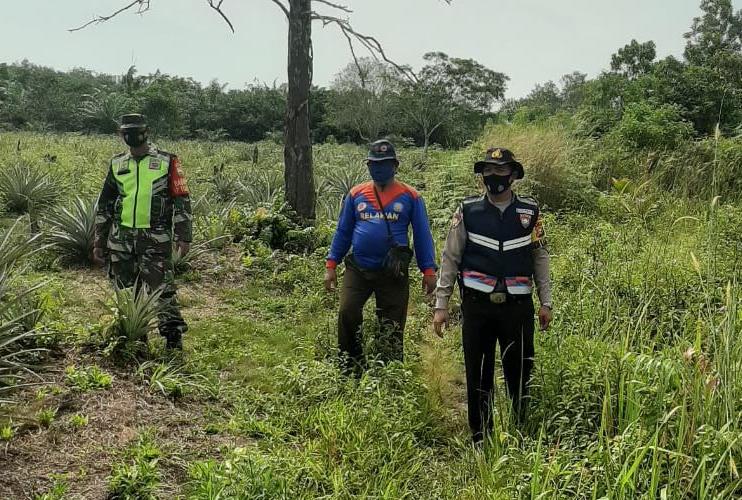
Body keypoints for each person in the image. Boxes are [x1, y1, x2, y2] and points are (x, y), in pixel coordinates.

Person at [432, 147, 553, 443]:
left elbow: (540, 257)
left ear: (513, 174)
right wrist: (441, 304)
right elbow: (451, 257)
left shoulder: (529, 212)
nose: (494, 177)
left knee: (521, 369)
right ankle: (480, 436)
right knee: (478, 373)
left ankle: (520, 430)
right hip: (478, 306)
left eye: (500, 171)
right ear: (482, 175)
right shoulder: (468, 211)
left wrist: (546, 301)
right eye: (488, 171)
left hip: (518, 306)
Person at [325, 139, 438, 372]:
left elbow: (422, 234)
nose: (379, 168)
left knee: (392, 322)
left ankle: (390, 370)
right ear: (368, 165)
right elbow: (343, 231)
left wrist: (428, 270)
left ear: (395, 165)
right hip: (359, 268)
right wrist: (331, 264)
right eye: (374, 163)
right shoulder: (356, 194)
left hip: (393, 271)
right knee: (348, 311)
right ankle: (350, 366)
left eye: (384, 163)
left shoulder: (411, 196)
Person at [93, 113, 193, 350]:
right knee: (126, 291)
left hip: (155, 240)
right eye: (126, 131)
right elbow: (105, 204)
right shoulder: (117, 164)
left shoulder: (168, 161)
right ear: (121, 134)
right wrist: (99, 240)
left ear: (146, 131)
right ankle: (135, 338)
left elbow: (181, 199)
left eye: (136, 130)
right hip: (121, 240)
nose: (131, 135)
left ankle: (172, 338)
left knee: (163, 290)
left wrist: (183, 234)